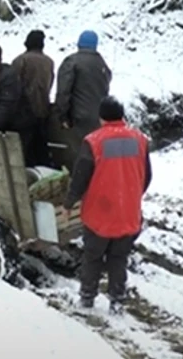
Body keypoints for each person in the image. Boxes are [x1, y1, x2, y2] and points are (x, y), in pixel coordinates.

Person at [58, 96, 152, 315]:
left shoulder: (93, 141)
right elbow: (147, 175)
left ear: (100, 117)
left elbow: (80, 177)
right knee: (119, 259)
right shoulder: (140, 139)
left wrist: (69, 203)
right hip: (128, 212)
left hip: (99, 212)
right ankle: (117, 302)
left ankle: (87, 300)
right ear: (122, 116)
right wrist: (132, 196)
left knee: (92, 258)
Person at [55, 30, 113, 156]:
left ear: (79, 43)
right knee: (96, 154)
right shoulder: (102, 64)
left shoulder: (72, 62)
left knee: (80, 156)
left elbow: (63, 91)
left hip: (78, 118)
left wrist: (63, 116)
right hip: (99, 119)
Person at [12, 30, 55, 167]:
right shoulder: (49, 62)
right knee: (40, 149)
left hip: (23, 113)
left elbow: (13, 85)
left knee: (24, 151)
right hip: (43, 110)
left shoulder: (20, 61)